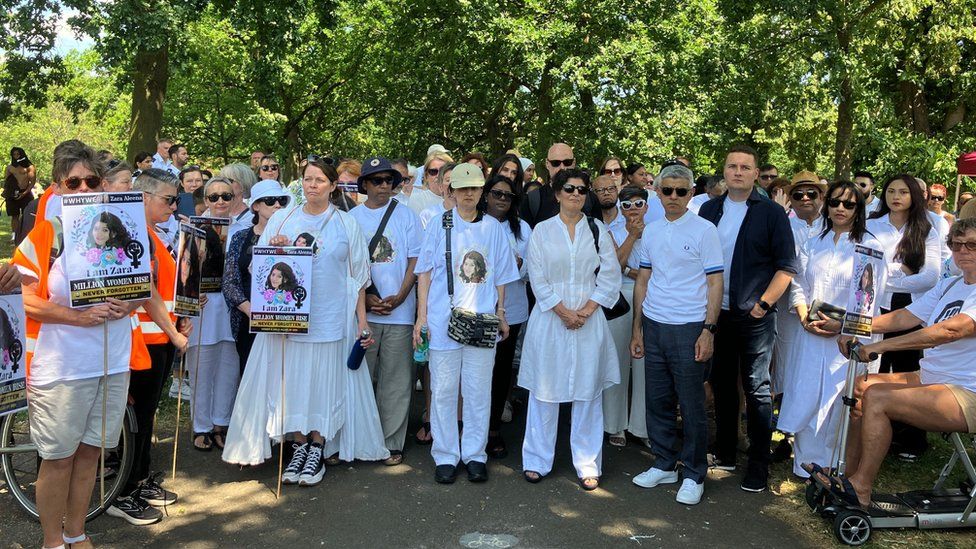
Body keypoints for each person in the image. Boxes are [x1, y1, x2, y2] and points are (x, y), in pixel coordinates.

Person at [11, 141, 144, 548]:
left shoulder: (122, 224)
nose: (84, 189)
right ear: (58, 186)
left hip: (112, 359)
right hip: (64, 366)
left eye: (91, 180)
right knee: (59, 458)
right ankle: (53, 541)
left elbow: (145, 288)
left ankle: (77, 532)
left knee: (91, 455)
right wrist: (77, 316)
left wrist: (130, 302)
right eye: (74, 182)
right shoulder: (46, 233)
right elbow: (25, 298)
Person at [223, 156, 389, 482]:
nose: (312, 186)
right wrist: (276, 248)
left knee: (324, 384)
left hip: (330, 318)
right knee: (294, 384)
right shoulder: (283, 219)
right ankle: (298, 445)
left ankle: (318, 446)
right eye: (307, 179)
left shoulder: (346, 224)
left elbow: (357, 279)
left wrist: (361, 321)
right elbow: (260, 270)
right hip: (289, 319)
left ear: (332, 186)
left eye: (319, 180)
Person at [809, 217, 976, 507]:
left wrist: (880, 347)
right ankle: (847, 475)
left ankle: (861, 487)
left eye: (972, 245)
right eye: (957, 244)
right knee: (860, 387)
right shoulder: (950, 285)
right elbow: (904, 317)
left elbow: (951, 330)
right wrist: (848, 324)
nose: (963, 251)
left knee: (878, 398)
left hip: (967, 391)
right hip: (934, 379)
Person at [697, 144, 797, 492]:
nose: (738, 172)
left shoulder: (770, 213)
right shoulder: (709, 210)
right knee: (723, 384)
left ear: (756, 174)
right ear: (723, 172)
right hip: (716, 313)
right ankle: (725, 452)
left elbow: (786, 268)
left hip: (754, 316)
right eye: (732, 166)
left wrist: (763, 305)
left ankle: (758, 462)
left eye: (745, 167)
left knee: (756, 389)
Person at [414, 163, 519, 484]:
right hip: (444, 318)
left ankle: (475, 454)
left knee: (477, 391)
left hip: (483, 319)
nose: (468, 194)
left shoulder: (494, 228)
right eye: (462, 188)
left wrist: (501, 312)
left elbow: (501, 275)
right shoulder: (438, 224)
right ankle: (445, 455)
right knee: (444, 391)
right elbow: (425, 273)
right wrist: (421, 317)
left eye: (474, 188)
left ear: (481, 191)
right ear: (452, 191)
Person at [518, 168, 622, 491]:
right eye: (569, 189)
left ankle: (588, 462)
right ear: (557, 193)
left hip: (589, 318)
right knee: (544, 390)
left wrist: (588, 309)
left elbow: (609, 273)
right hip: (551, 318)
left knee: (587, 391)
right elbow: (537, 276)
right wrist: (563, 311)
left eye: (581, 189)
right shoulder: (542, 232)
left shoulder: (597, 231)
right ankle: (536, 459)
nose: (576, 194)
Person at [776, 181, 885, 479]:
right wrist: (802, 316)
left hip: (847, 338)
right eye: (836, 202)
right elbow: (798, 284)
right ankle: (805, 464)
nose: (840, 209)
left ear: (859, 209)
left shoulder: (870, 246)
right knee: (807, 393)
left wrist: (843, 327)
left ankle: (836, 465)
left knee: (839, 400)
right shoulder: (814, 243)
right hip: (811, 332)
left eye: (849, 204)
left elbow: (869, 299)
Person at [629, 163, 723, 505]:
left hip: (689, 327)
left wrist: (708, 330)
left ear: (691, 193)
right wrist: (637, 329)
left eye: (680, 191)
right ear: (657, 192)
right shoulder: (651, 231)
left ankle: (694, 472)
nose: (673, 197)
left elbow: (715, 283)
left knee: (691, 403)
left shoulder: (704, 230)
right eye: (666, 190)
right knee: (657, 400)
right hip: (654, 324)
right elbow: (643, 280)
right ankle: (665, 463)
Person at [107, 168, 191, 525]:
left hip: (158, 336)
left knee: (146, 415)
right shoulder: (133, 235)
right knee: (137, 419)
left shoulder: (151, 234)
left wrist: (177, 319)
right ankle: (122, 492)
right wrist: (172, 331)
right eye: (168, 199)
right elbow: (146, 292)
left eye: (175, 200)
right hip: (144, 339)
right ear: (144, 197)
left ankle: (138, 480)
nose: (174, 206)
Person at [350, 157, 422, 467]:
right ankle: (359, 438)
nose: (383, 186)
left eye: (388, 180)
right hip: (363, 314)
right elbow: (348, 267)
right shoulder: (350, 218)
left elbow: (416, 261)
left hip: (400, 313)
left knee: (396, 381)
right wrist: (366, 299)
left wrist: (402, 295)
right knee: (360, 380)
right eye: (376, 180)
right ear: (363, 184)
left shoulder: (407, 216)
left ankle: (390, 441)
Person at [866, 174, 941, 460]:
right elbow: (863, 268)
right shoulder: (871, 226)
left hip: (910, 309)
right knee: (875, 369)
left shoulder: (926, 229)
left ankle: (910, 439)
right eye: (891, 191)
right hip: (873, 305)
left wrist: (885, 279)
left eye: (903, 192)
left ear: (914, 197)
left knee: (907, 369)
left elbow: (930, 278)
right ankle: (876, 433)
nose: (895, 197)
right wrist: (900, 274)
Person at [478, 174, 532, 459]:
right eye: (496, 193)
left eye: (507, 196)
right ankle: (472, 427)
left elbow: (531, 269)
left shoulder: (522, 229)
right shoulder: (474, 223)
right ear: (486, 195)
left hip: (511, 309)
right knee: (477, 373)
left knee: (500, 372)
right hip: (477, 310)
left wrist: (518, 267)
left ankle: (493, 428)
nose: (501, 199)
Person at [186, 177, 241, 451]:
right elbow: (181, 270)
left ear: (234, 198)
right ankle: (201, 425)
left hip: (233, 308)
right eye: (214, 197)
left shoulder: (243, 228)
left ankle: (222, 422)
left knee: (229, 368)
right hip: (203, 307)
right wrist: (191, 291)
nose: (220, 202)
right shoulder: (190, 229)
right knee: (201, 367)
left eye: (226, 196)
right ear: (205, 201)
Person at [591, 175, 644, 448]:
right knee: (617, 362)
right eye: (627, 204)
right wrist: (633, 237)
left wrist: (636, 271)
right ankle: (615, 424)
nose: (632, 208)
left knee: (645, 365)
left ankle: (642, 427)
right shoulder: (605, 228)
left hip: (651, 296)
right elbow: (614, 265)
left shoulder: (658, 227)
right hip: (619, 296)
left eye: (638, 203)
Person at [223, 179, 290, 375]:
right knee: (250, 375)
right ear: (256, 206)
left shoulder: (293, 237)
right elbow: (229, 282)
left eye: (281, 200)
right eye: (270, 200)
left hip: (285, 319)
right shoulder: (240, 237)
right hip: (247, 320)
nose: (277, 205)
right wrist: (252, 312)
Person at [520, 143, 596, 228]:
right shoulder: (532, 200)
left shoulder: (590, 199)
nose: (562, 168)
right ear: (547, 164)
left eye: (567, 162)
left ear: (574, 163)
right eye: (556, 163)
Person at [404, 151, 452, 218]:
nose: (438, 175)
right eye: (433, 171)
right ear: (426, 176)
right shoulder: (417, 200)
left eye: (442, 171)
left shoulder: (460, 198)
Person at [5, 147, 37, 241]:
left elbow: (32, 182)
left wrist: (24, 193)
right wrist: (9, 193)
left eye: (18, 154)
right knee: (14, 215)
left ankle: (26, 235)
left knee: (27, 215)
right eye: (14, 155)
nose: (16, 156)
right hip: (13, 195)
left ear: (22, 154)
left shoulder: (29, 167)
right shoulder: (9, 167)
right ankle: (14, 236)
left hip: (26, 194)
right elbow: (7, 182)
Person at [419, 163, 457, 229]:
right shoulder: (427, 215)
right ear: (440, 187)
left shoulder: (471, 214)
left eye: (455, 180)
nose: (452, 185)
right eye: (448, 180)